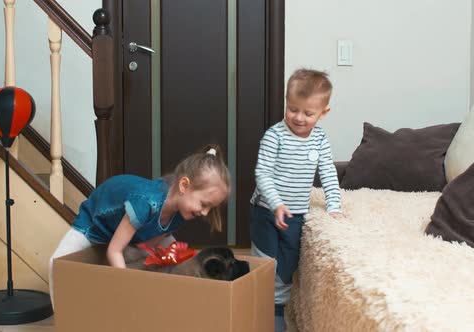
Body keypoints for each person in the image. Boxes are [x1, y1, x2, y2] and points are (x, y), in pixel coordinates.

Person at [49, 144, 231, 306]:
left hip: (135, 230)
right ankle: (65, 320)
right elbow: (114, 251)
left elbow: (152, 249)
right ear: (184, 186)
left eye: (211, 208)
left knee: (178, 260)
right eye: (204, 204)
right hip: (93, 225)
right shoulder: (146, 203)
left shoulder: (181, 212)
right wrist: (130, 290)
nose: (205, 213)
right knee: (56, 264)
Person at [249, 68, 343, 332]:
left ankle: (278, 304)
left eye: (308, 113)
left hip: (296, 214)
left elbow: (327, 172)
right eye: (292, 109)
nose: (298, 118)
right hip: (266, 211)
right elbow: (263, 173)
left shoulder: (320, 139)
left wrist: (334, 205)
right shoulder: (274, 136)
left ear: (323, 113)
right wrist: (277, 203)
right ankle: (267, 310)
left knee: (287, 264)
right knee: (266, 262)